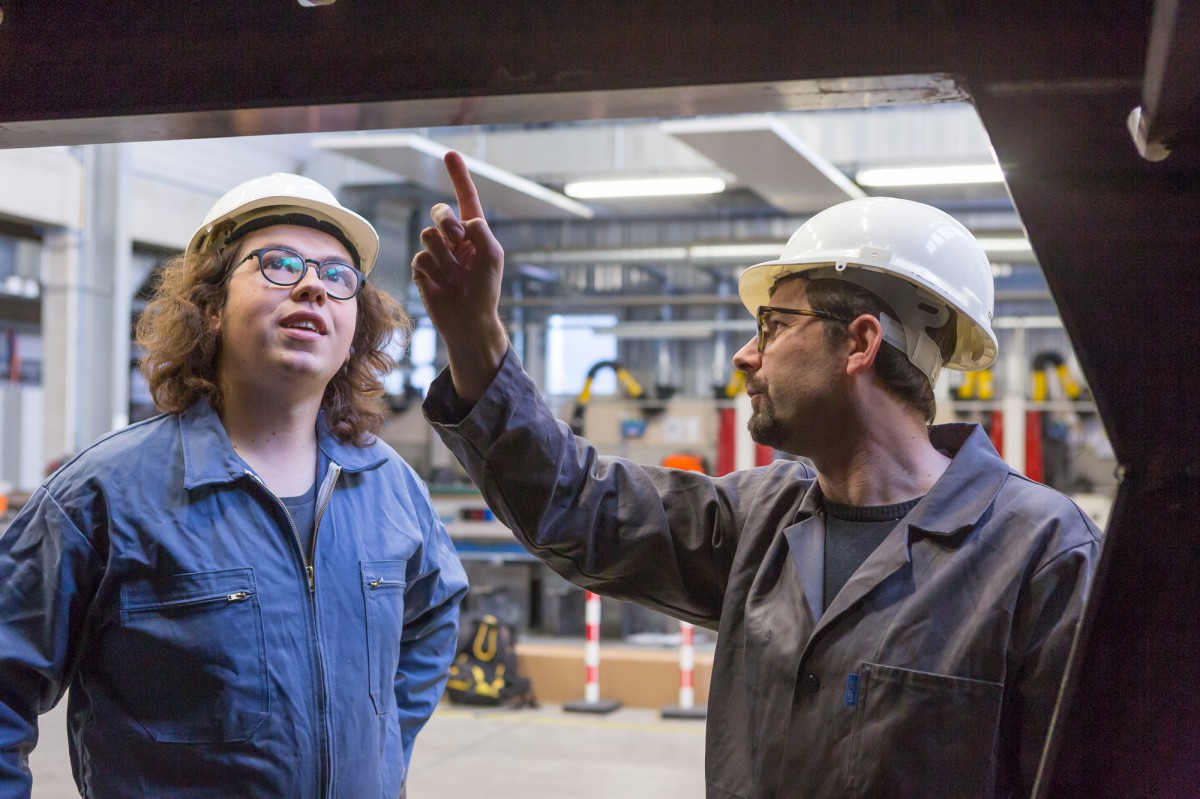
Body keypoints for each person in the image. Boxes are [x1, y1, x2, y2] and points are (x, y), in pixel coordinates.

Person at [414, 152, 1100, 798]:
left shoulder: (1037, 551)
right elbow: (580, 505)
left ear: (860, 342)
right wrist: (477, 340)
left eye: (773, 325)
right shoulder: (759, 521)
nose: (745, 355)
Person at [0, 173, 468, 798]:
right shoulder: (103, 495)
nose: (312, 286)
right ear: (212, 308)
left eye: (338, 276)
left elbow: (435, 610)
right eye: (278, 265)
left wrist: (384, 746)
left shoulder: (389, 486)